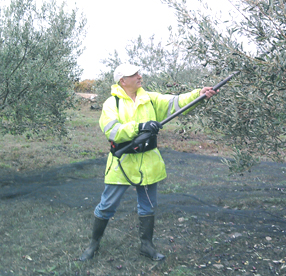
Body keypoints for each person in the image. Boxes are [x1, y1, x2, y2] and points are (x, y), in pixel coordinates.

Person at [80, 63, 218, 261]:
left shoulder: (150, 99)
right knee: (107, 205)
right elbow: (113, 131)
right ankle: (93, 245)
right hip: (122, 162)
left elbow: (176, 102)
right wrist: (141, 127)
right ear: (122, 81)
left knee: (148, 206)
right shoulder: (112, 104)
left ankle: (147, 246)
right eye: (133, 74)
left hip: (148, 163)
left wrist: (199, 94)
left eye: (138, 72)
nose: (139, 76)